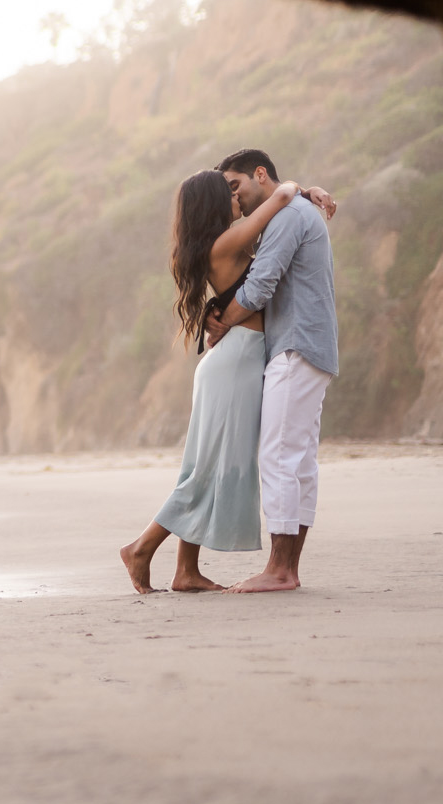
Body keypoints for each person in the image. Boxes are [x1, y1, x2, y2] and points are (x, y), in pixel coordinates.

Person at [119, 166, 330, 592]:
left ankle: (186, 571)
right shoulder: (229, 241)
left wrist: (308, 191)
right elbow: (282, 198)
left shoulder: (216, 245)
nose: (238, 199)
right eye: (229, 193)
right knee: (207, 470)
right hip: (236, 363)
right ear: (215, 205)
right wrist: (297, 187)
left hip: (237, 360)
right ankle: (141, 547)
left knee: (205, 466)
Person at [203, 149, 339, 593]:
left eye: (236, 185)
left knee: (280, 455)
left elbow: (261, 284)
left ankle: (280, 570)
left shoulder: (287, 217)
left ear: (261, 174)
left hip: (295, 344)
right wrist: (302, 186)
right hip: (309, 344)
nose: (235, 198)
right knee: (297, 459)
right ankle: (288, 568)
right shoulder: (295, 208)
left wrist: (222, 323)